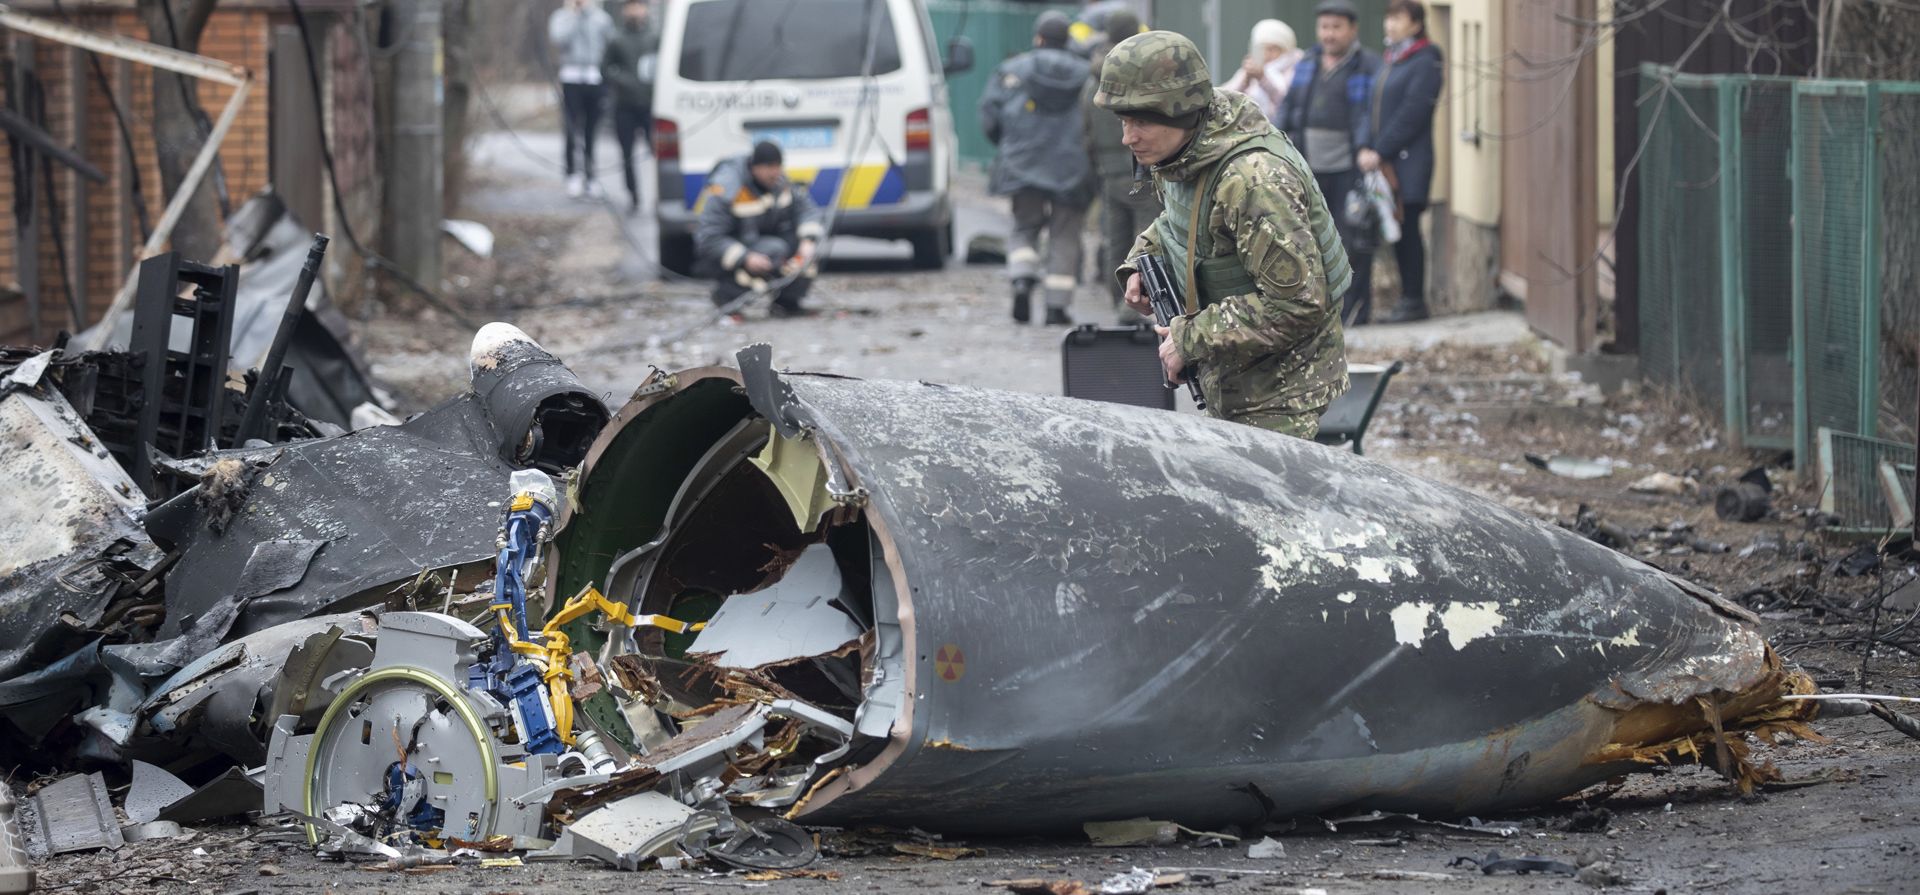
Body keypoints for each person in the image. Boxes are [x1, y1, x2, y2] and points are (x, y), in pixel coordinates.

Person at [1096, 31, 1351, 439]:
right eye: (1124, 121)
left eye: (1141, 120)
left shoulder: (1253, 181)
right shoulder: (1188, 151)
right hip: (1232, 376)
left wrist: (1189, 339)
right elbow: (1180, 223)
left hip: (1280, 393)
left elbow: (1299, 305)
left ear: (1177, 111)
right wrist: (1141, 261)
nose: (1128, 137)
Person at [980, 10, 1094, 325]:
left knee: (1024, 226)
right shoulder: (1087, 75)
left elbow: (989, 116)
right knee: (1064, 233)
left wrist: (1008, 147)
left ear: (1038, 38)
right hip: (1072, 167)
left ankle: (1022, 275)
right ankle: (1056, 307)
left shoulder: (1011, 70)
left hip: (1023, 163)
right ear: (1067, 40)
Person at [1275, 0, 1381, 325]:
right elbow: (1289, 107)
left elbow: (1370, 116)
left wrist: (1365, 146)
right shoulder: (1308, 62)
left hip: (1349, 168)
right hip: (1310, 167)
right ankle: (1320, 308)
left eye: (1336, 27)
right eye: (1324, 27)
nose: (1329, 34)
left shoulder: (1367, 66)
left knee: (1352, 241)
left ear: (1352, 29)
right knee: (1311, 238)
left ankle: (1355, 311)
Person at [1362, 0, 1444, 322]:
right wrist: (1367, 147)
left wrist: (1380, 149)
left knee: (1408, 228)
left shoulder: (1427, 59)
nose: (1391, 25)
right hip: (1384, 161)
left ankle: (1414, 300)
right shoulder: (1392, 60)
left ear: (1416, 23)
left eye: (1399, 18)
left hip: (1408, 162)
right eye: (1389, 18)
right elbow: (1374, 110)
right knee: (1395, 229)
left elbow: (1413, 112)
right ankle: (1406, 298)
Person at [1082, 10, 1160, 312]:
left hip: (1108, 171)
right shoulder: (1141, 73)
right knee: (1147, 239)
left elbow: (1085, 130)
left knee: (1115, 238)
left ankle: (1119, 302)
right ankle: (1136, 309)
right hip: (1142, 170)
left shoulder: (1093, 77)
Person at [693, 141, 824, 319]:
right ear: (754, 167)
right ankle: (727, 298)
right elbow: (708, 238)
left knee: (804, 252)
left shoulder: (779, 182)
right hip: (733, 253)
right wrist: (745, 257)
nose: (775, 173)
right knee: (775, 251)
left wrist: (808, 242)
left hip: (766, 243)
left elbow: (806, 209)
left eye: (778, 166)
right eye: (769, 167)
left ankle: (787, 303)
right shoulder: (727, 188)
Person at [549, 0, 615, 199]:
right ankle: (572, 174)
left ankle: (591, 176)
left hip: (595, 78)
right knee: (571, 128)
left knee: (591, 130)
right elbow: (559, 39)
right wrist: (575, 17)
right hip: (571, 77)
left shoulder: (602, 18)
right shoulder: (561, 17)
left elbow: (610, 44)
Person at [603, 0, 660, 215]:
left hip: (650, 106)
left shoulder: (654, 37)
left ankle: (660, 196)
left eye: (639, 5)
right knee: (627, 153)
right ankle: (633, 195)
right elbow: (605, 69)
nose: (635, 10)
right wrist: (622, 79)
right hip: (624, 105)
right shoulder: (616, 39)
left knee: (658, 153)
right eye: (631, 6)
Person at [1219, 19, 1303, 124]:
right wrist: (1246, 80)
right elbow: (1225, 98)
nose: (1267, 54)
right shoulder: (1250, 69)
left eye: (1273, 49)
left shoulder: (1296, 68)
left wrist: (1263, 79)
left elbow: (1286, 102)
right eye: (1263, 49)